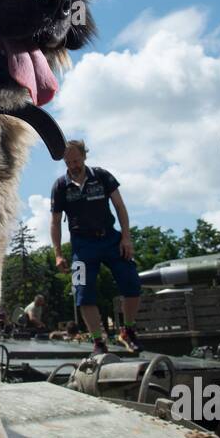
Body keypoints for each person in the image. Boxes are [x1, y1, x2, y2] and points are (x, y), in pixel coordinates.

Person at [50, 139, 144, 353]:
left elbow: (120, 206)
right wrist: (58, 254)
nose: (73, 165)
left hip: (110, 238)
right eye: (68, 162)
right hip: (82, 246)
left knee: (132, 283)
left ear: (84, 156)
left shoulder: (102, 176)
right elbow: (55, 222)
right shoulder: (60, 186)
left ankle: (128, 331)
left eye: (76, 160)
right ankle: (98, 341)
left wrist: (126, 237)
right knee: (83, 293)